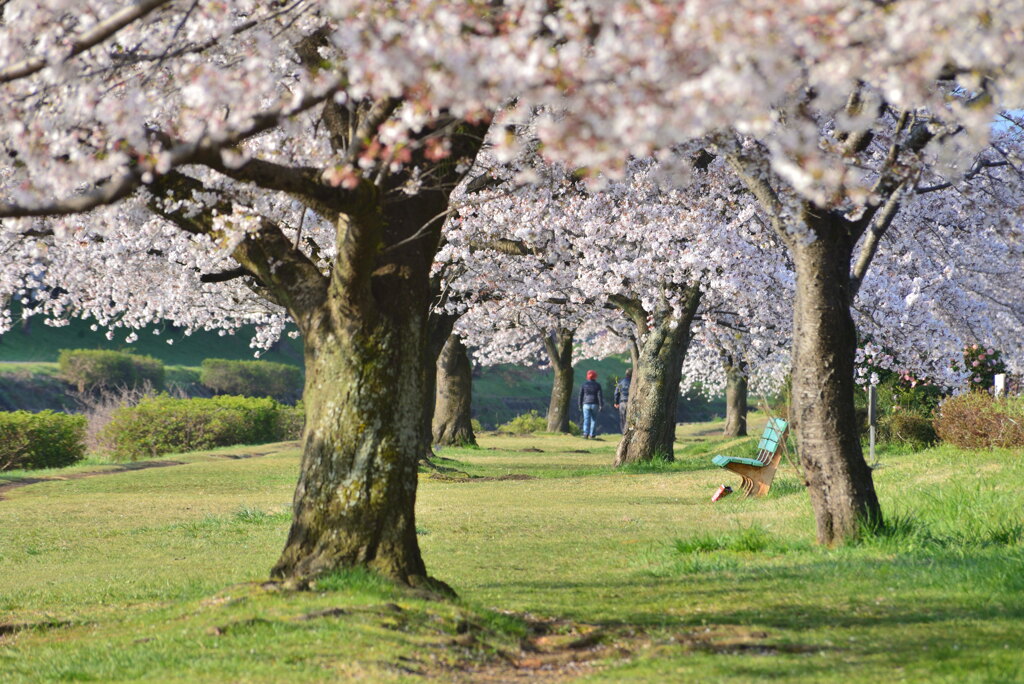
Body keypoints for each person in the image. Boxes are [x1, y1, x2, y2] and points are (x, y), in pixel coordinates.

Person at [578, 369, 603, 439]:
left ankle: (585, 433)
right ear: (595, 377)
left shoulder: (584, 385)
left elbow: (581, 395)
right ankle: (592, 434)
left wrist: (579, 404)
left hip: (586, 404)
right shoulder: (597, 385)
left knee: (586, 419)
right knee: (593, 419)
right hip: (595, 403)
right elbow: (599, 396)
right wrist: (601, 405)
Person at [614, 368, 632, 433]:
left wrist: (616, 402)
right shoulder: (634, 382)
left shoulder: (621, 382)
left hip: (622, 402)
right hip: (631, 402)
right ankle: (629, 432)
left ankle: (624, 432)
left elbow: (616, 393)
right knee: (630, 418)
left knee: (622, 418)